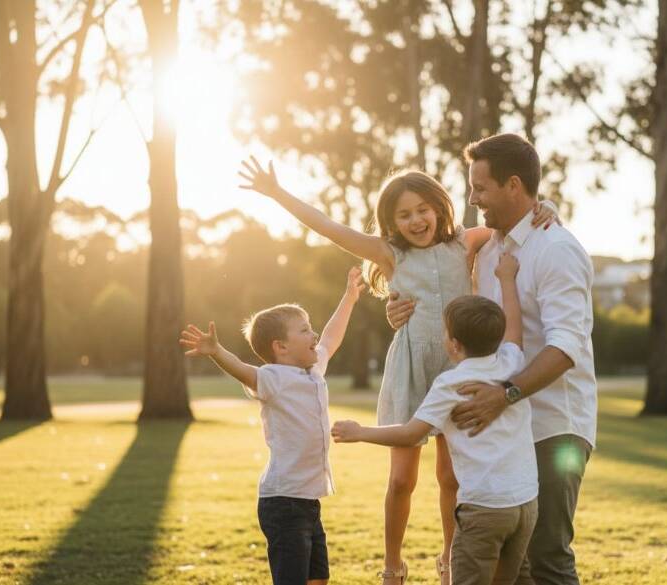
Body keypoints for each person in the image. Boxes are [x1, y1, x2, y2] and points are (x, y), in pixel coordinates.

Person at [238, 158, 558, 584]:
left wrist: (546, 205)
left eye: (422, 209)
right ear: (390, 221)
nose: (415, 220)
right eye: (403, 214)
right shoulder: (390, 254)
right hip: (411, 368)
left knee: (451, 476)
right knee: (402, 480)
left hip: (456, 367)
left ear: (439, 207)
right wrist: (278, 193)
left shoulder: (464, 242)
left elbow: (512, 225)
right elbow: (332, 229)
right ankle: (393, 565)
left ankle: (449, 560)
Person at [386, 134, 597, 585]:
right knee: (513, 568)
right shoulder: (490, 249)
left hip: (553, 425)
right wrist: (400, 308)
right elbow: (456, 310)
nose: (472, 198)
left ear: (514, 186)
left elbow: (567, 347)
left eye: (480, 188)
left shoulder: (556, 249)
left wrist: (506, 393)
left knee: (547, 558)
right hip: (506, 431)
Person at [332, 252, 537, 585]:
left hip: (483, 509)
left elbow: (412, 433)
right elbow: (515, 327)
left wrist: (361, 432)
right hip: (526, 504)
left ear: (453, 345)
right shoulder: (511, 361)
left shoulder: (451, 384)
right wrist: (507, 279)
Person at [179, 267, 364, 585]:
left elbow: (332, 337)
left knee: (318, 578)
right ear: (281, 347)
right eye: (305, 330)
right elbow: (244, 371)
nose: (314, 335)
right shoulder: (273, 378)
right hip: (283, 503)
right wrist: (216, 351)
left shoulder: (312, 369)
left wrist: (349, 296)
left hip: (308, 501)